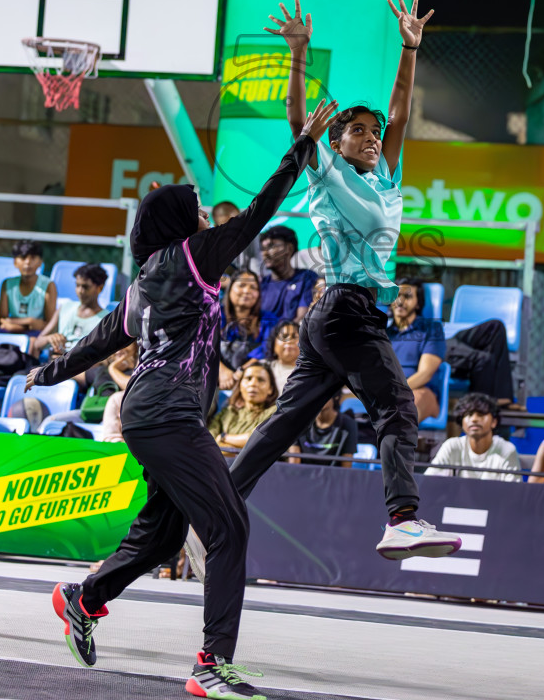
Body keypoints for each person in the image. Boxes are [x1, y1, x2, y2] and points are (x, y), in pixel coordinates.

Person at [26, 101, 334, 699]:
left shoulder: (144, 280)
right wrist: (300, 147)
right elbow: (260, 211)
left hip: (152, 412)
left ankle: (83, 599)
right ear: (177, 222)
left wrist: (49, 370)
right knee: (230, 528)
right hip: (167, 413)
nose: (203, 211)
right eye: (194, 206)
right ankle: (210, 664)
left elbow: (99, 341)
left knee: (164, 535)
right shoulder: (193, 255)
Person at [231, 0, 464, 562]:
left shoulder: (385, 174)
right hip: (345, 310)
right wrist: (298, 54)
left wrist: (410, 47)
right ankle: (403, 518)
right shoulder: (326, 171)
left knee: (285, 419)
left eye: (373, 129)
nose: (371, 134)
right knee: (397, 408)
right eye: (357, 129)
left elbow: (402, 110)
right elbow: (297, 124)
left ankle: (219, 495)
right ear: (336, 142)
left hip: (332, 319)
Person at [385, 278, 446, 424]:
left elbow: (425, 374)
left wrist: (392, 392)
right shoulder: (383, 333)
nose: (400, 301)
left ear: (418, 303)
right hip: (384, 392)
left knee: (405, 408)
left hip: (421, 391)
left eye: (408, 296)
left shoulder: (432, 329)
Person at [424, 393, 520, 482]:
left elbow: (514, 495)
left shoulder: (507, 450)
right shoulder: (451, 446)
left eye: (481, 414)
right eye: (469, 414)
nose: (474, 419)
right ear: (462, 422)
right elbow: (429, 483)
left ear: (494, 422)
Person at [208, 361, 279, 454]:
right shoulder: (228, 411)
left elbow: (257, 441)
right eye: (248, 378)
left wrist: (223, 437)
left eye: (261, 380)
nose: (253, 384)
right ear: (240, 385)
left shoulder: (275, 413)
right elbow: (208, 439)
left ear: (270, 389)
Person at [257, 225, 320, 324]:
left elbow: (301, 319)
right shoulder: (261, 285)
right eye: (263, 248)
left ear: (289, 248)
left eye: (271, 246)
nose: (265, 253)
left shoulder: (307, 278)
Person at [218, 271, 271, 386]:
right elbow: (203, 346)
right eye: (242, 285)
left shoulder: (268, 319)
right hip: (213, 374)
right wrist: (221, 370)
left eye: (253, 287)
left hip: (251, 379)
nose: (247, 291)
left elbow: (266, 350)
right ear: (230, 288)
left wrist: (241, 372)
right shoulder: (214, 314)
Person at [0, 240, 57, 332]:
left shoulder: (49, 285)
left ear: (40, 262)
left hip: (38, 334)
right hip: (11, 331)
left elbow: (49, 324)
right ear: (15, 262)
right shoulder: (7, 284)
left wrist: (15, 324)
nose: (28, 262)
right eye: (23, 257)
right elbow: (2, 319)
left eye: (33, 258)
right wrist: (30, 322)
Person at [289, 396, 359, 466]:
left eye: (324, 392)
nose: (320, 396)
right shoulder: (298, 422)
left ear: (335, 396)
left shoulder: (348, 424)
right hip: (303, 475)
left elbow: (346, 469)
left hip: (334, 476)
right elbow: (293, 466)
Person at [213, 199, 264, 279]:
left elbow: (257, 276)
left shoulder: (253, 237)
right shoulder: (212, 244)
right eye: (228, 228)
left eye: (237, 224)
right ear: (216, 227)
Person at [264, 319, 301, 394]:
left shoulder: (310, 372)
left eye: (294, 337)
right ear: (273, 343)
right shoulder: (262, 367)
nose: (289, 340)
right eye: (284, 337)